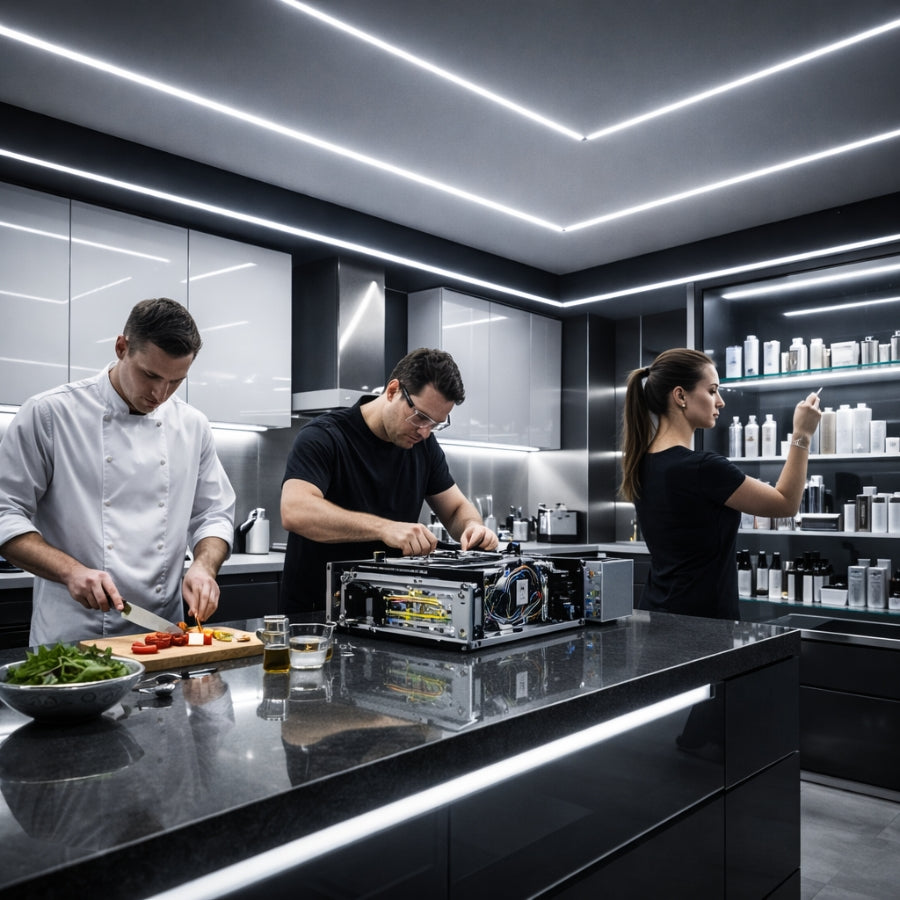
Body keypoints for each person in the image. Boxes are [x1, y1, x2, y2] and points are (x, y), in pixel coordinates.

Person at [0, 298, 236, 644]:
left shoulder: (192, 425)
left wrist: (203, 566)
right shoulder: (50, 414)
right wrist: (71, 571)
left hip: (162, 635)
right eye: (150, 375)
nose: (160, 393)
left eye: (176, 381)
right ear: (121, 347)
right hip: (72, 637)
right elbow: (6, 513)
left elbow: (213, 514)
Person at [280, 347, 499, 612]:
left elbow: (455, 510)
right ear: (393, 390)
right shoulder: (324, 436)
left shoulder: (424, 448)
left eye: (436, 424)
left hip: (390, 615)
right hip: (316, 614)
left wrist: (473, 528)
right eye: (420, 417)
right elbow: (295, 511)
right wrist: (385, 529)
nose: (426, 432)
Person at [620, 348, 821, 620]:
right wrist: (802, 434)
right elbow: (786, 503)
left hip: (657, 614)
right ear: (680, 396)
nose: (721, 401)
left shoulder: (642, 463)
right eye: (713, 390)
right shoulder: (703, 468)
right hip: (702, 627)